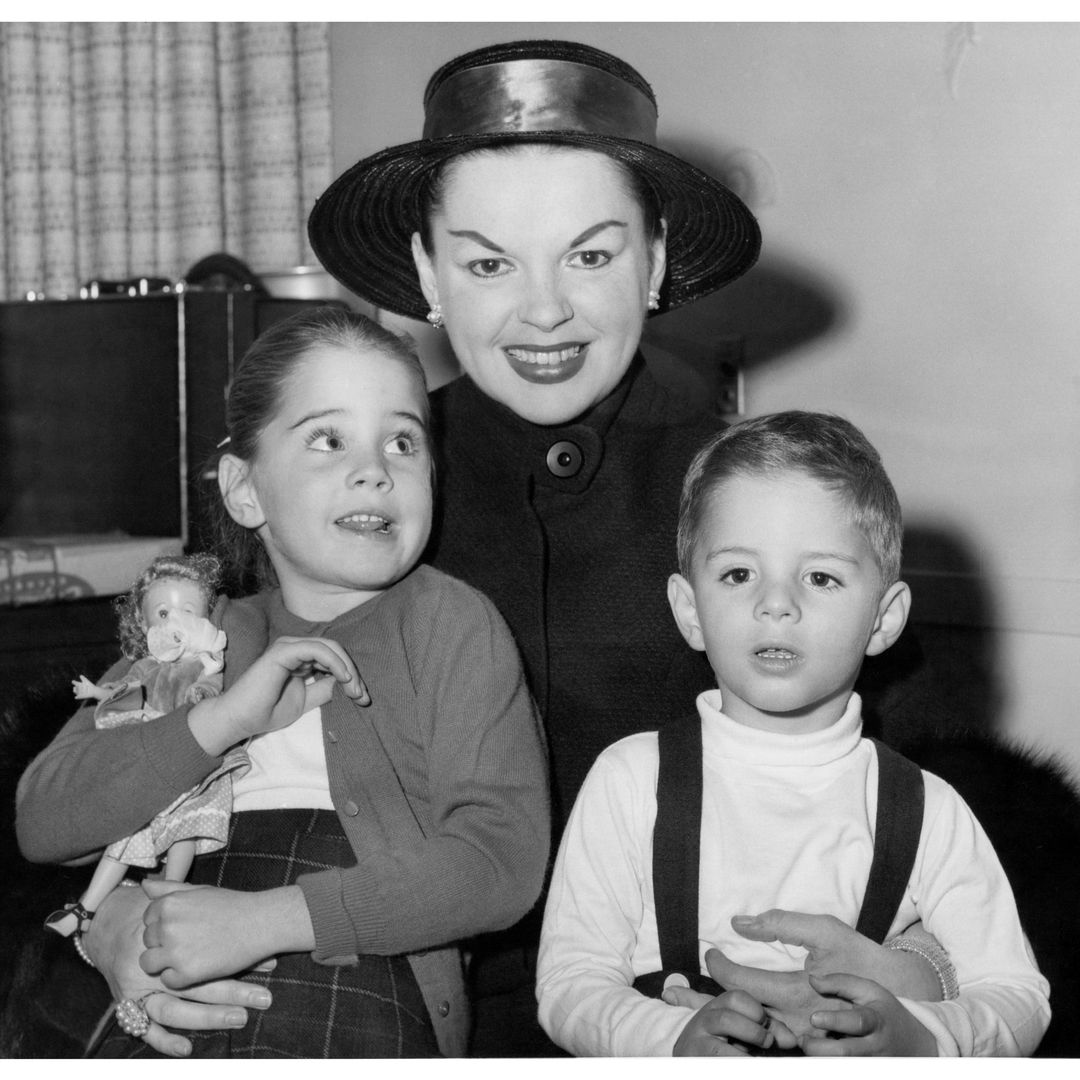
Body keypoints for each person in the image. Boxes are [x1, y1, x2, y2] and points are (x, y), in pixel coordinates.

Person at [20, 37, 1076, 1057]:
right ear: (425, 274)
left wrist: (914, 973)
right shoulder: (341, 490)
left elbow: (967, 833)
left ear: (655, 261)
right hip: (388, 1012)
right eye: (487, 262)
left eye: (591, 254)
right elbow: (147, 751)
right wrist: (103, 926)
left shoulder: (765, 504)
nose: (542, 310)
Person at [16, 307, 549, 1057]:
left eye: (403, 440)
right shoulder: (196, 632)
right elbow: (44, 819)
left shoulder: (453, 624)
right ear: (244, 489)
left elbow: (501, 861)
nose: (375, 468)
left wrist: (264, 920)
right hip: (152, 998)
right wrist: (224, 720)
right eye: (329, 440)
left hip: (359, 984)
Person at [536, 411, 1051, 1056]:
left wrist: (923, 1042)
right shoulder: (631, 779)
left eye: (820, 577)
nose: (775, 604)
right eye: (738, 574)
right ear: (689, 611)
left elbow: (1019, 994)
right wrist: (670, 1041)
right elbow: (569, 983)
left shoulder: (929, 810)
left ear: (884, 619)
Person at [46, 553, 244, 940]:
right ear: (143, 621)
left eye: (188, 610)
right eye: (163, 613)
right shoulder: (148, 666)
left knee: (185, 831)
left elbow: (211, 692)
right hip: (147, 753)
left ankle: (171, 897)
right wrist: (94, 691)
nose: (176, 622)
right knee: (128, 832)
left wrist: (203, 693)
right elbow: (124, 689)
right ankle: (86, 908)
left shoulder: (205, 664)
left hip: (194, 755)